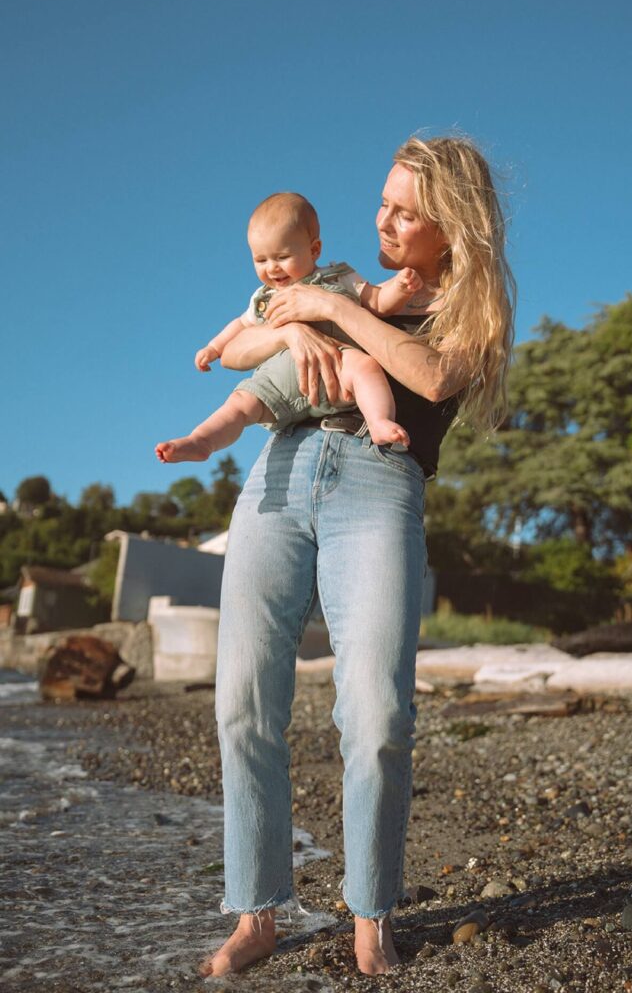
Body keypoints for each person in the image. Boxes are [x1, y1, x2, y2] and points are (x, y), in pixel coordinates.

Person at [200, 135, 515, 978]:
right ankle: (255, 912)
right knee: (242, 704)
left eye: (406, 211)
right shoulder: (323, 275)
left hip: (379, 485)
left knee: (375, 715)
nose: (383, 220)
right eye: (382, 201)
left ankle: (371, 915)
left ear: (451, 228)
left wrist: (331, 315)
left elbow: (430, 375)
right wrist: (286, 338)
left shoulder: (464, 311)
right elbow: (233, 347)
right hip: (279, 474)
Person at [155, 192, 422, 464]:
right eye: (261, 260)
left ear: (314, 249)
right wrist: (214, 347)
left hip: (336, 366)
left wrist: (400, 289)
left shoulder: (338, 276)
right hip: (279, 380)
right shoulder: (263, 298)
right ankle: (202, 441)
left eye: (282, 257)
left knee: (366, 367)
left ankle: (378, 422)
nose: (272, 269)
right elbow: (241, 325)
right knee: (239, 404)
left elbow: (376, 301)